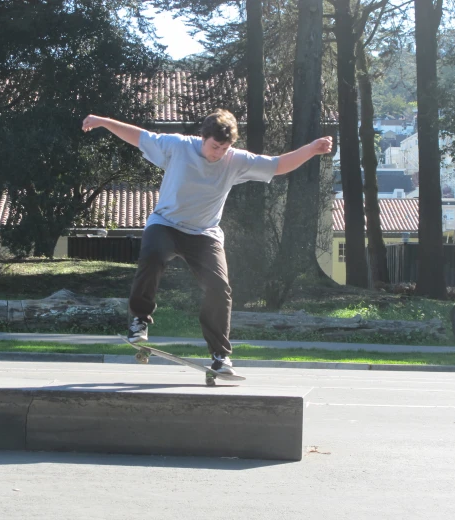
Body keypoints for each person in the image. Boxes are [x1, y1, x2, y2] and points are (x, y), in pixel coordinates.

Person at [82, 109, 333, 375]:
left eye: (224, 148)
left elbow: (277, 165)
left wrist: (310, 149)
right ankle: (139, 320)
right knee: (153, 256)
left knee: (219, 288)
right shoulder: (178, 146)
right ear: (203, 137)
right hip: (166, 224)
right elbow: (139, 137)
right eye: (214, 147)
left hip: (204, 233)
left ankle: (220, 355)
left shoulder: (236, 160)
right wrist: (104, 121)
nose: (218, 154)